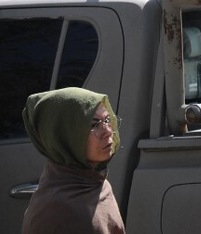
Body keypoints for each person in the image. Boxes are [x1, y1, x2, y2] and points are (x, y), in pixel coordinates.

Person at [21, 87, 125, 234]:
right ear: (64, 136)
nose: (107, 131)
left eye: (107, 120)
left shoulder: (95, 183)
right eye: (94, 125)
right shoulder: (54, 211)